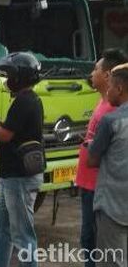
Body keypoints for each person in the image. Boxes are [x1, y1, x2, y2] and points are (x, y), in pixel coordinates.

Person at [0, 52, 44, 267]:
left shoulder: (24, 102)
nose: (7, 79)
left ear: (20, 77)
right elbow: (14, 128)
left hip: (19, 178)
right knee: (2, 228)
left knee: (22, 235)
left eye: (10, 74)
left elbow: (6, 135)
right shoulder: (29, 99)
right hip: (12, 177)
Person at [76, 49, 128, 267]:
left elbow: (95, 158)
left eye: (96, 68)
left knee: (98, 247)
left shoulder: (112, 115)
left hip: (105, 194)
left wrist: (93, 147)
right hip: (101, 191)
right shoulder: (104, 105)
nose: (92, 73)